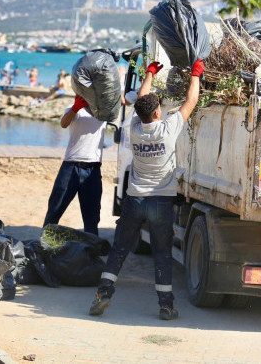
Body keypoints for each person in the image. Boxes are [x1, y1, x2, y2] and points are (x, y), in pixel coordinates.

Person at [89, 58, 204, 321]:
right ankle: (166, 306)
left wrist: (150, 74)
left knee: (119, 248)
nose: (161, 112)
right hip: (161, 202)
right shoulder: (167, 129)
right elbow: (191, 103)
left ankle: (103, 295)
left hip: (135, 199)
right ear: (156, 114)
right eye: (160, 109)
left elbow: (142, 98)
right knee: (162, 253)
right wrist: (196, 75)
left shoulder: (136, 127)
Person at [43, 95, 106, 236]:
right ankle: (42, 247)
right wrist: (75, 107)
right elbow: (63, 123)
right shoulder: (74, 109)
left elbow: (123, 99)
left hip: (93, 169)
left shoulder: (104, 111)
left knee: (92, 217)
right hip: (70, 167)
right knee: (55, 209)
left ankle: (92, 252)